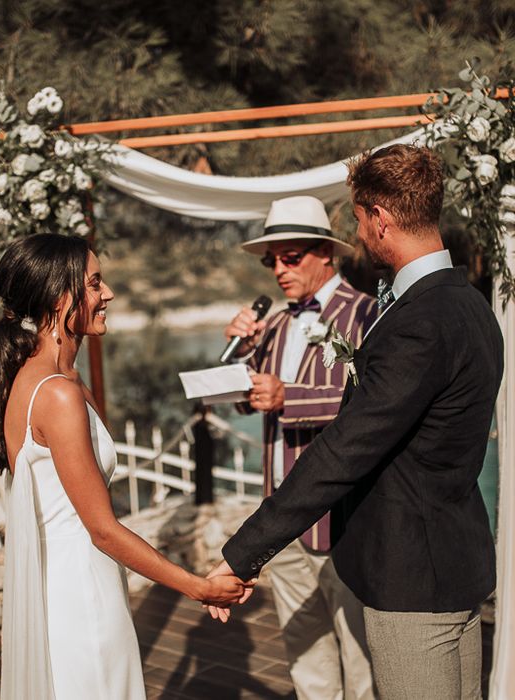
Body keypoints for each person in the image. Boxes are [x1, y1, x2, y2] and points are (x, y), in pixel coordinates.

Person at [212, 145, 504, 699]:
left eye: (360, 218)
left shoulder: (416, 321)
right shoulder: (472, 307)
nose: (361, 233)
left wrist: (242, 553)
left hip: (412, 574)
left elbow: (344, 449)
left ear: (381, 219)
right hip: (457, 557)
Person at [0, 233, 250, 700]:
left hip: (66, 580)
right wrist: (197, 587)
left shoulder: (52, 378)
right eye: (95, 283)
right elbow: (101, 529)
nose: (109, 295)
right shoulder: (58, 394)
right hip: (82, 591)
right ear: (62, 298)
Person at [221, 195, 378, 700]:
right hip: (279, 515)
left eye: (291, 257)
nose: (279, 270)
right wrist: (238, 355)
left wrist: (291, 397)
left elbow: (377, 404)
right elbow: (245, 405)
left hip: (341, 516)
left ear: (324, 254)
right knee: (304, 654)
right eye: (272, 260)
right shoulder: (278, 324)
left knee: (361, 655)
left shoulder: (365, 313)